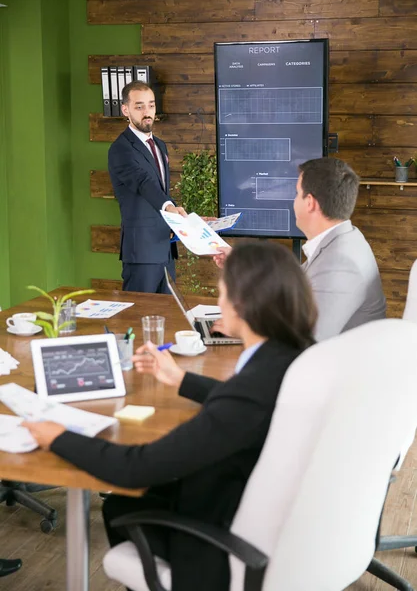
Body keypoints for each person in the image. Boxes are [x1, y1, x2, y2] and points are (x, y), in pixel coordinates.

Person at [23, 242, 317, 591]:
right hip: (281, 522)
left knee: (120, 506)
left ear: (243, 305)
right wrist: (180, 379)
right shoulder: (299, 358)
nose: (216, 303)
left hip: (221, 542)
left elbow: (134, 468)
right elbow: (248, 404)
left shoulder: (249, 390)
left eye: (221, 293)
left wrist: (57, 436)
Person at [213, 157, 386, 341]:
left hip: (336, 367)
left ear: (310, 202)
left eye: (297, 194)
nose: (294, 201)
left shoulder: (341, 261)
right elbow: (291, 282)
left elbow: (305, 341)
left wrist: (242, 328)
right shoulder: (343, 241)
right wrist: (239, 262)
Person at [109, 81, 187, 293]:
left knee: (168, 320)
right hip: (141, 252)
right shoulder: (121, 149)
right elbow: (144, 183)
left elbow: (161, 192)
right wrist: (170, 208)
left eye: (151, 105)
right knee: (138, 318)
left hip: (165, 250)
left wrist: (187, 218)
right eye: (139, 106)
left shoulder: (160, 145)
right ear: (126, 110)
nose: (147, 112)